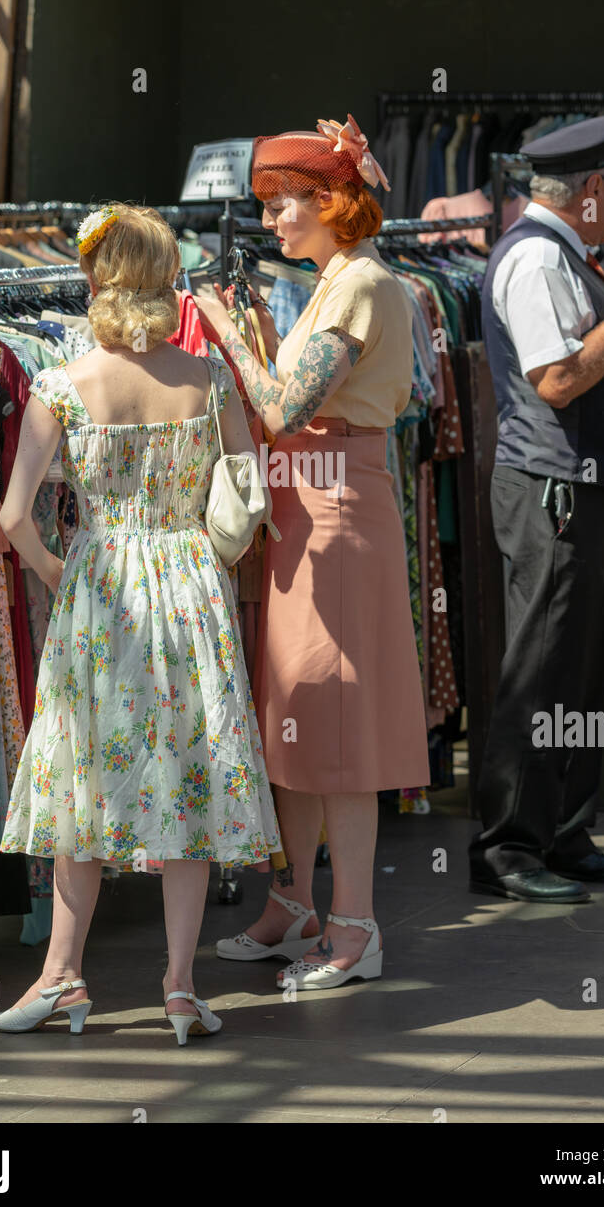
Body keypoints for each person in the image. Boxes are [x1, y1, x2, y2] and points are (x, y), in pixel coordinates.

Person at [0, 204, 281, 1043]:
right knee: (187, 787)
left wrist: (56, 569)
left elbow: (13, 517)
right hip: (189, 583)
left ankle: (62, 977)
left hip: (104, 585)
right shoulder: (208, 376)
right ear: (168, 281)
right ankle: (180, 988)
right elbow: (245, 495)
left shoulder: (61, 385)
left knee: (83, 785)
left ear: (94, 280)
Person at [196, 115, 430, 990]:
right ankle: (295, 903)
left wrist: (226, 332)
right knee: (290, 714)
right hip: (310, 509)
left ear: (329, 201)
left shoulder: (361, 285)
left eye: (281, 202)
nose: (268, 222)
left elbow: (287, 407)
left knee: (331, 723)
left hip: (332, 509)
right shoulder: (341, 282)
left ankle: (355, 926)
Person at [469, 117, 604, 903]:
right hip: (550, 491)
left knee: (578, 669)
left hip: (575, 490)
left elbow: (578, 363)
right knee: (540, 669)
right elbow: (554, 382)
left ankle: (563, 831)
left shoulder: (563, 254)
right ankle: (507, 847)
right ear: (592, 189)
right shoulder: (534, 258)